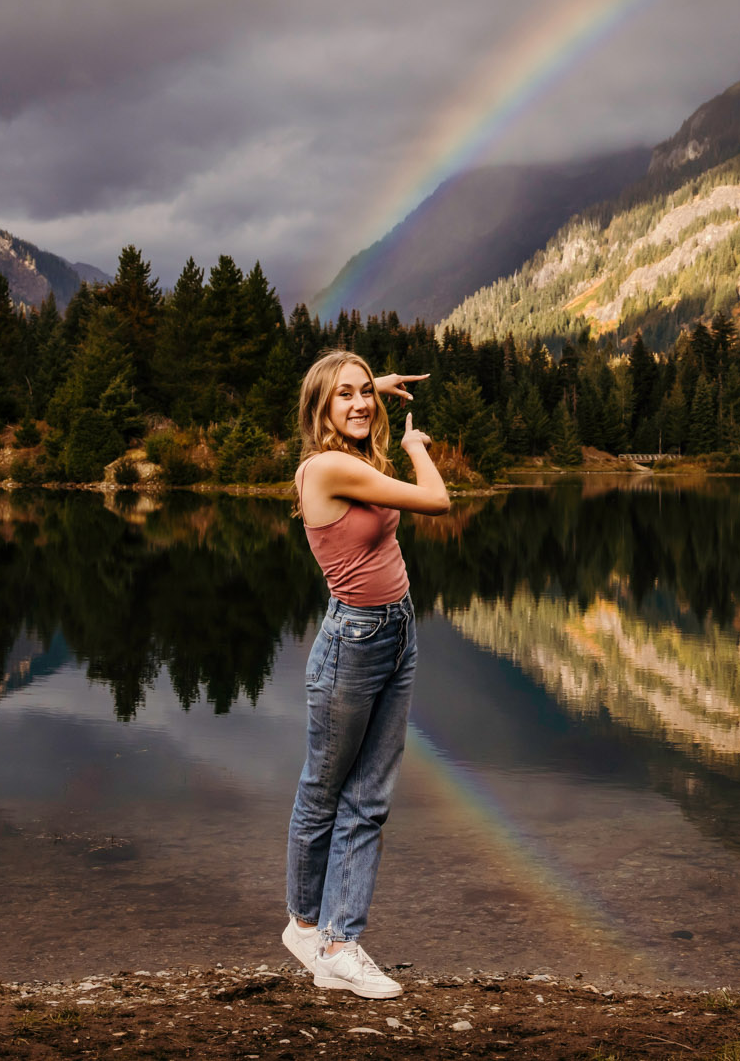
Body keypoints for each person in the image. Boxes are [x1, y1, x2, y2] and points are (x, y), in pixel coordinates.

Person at [282, 349, 449, 999]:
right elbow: (435, 499)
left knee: (370, 796)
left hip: (396, 631)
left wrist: (368, 388)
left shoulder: (343, 456)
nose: (357, 403)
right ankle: (313, 930)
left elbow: (344, 398)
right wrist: (415, 445)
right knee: (325, 789)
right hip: (355, 640)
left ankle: (335, 940)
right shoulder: (327, 468)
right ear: (320, 409)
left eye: (362, 394)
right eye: (342, 396)